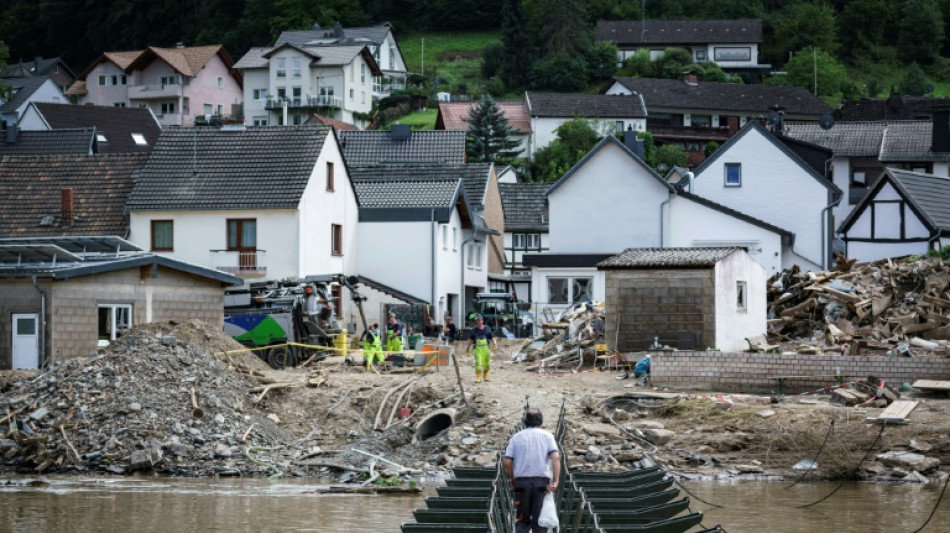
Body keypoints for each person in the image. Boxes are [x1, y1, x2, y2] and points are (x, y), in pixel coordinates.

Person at [503, 408, 560, 533]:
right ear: (541, 421)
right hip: (541, 483)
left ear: (525, 421)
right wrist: (555, 481)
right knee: (540, 520)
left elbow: (507, 461)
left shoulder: (516, 438)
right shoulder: (548, 436)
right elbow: (555, 457)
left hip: (521, 483)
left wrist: (512, 478)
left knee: (522, 519)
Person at [465, 314, 497, 383]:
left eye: (479, 320)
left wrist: (494, 344)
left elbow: (491, 337)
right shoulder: (474, 330)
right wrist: (467, 348)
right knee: (478, 363)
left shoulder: (487, 328)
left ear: (482, 321)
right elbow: (470, 340)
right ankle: (478, 377)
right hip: (477, 350)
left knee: (487, 364)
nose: (478, 322)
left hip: (486, 349)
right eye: (477, 321)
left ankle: (485, 376)